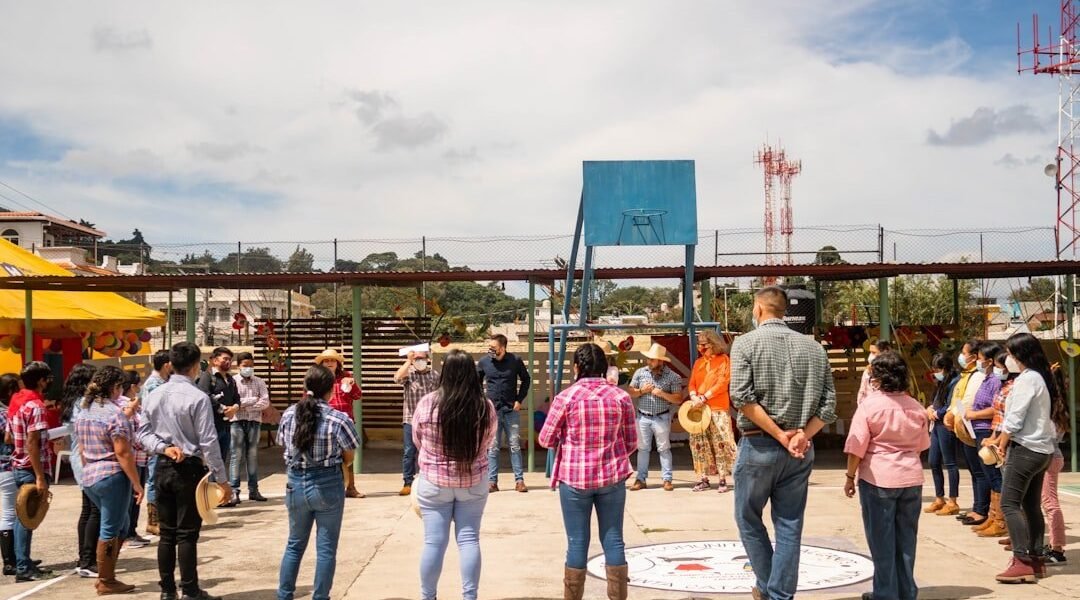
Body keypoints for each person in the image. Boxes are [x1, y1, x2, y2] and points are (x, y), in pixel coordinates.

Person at [728, 287, 837, 600]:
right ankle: (776, 593)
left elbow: (742, 398)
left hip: (760, 445)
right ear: (784, 310)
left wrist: (779, 434)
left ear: (759, 308)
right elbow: (828, 407)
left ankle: (770, 588)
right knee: (789, 524)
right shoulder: (814, 348)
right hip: (801, 449)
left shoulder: (745, 343)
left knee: (748, 518)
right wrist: (803, 434)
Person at [539, 343, 637, 600]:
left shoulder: (566, 398)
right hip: (612, 476)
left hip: (574, 478)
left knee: (577, 542)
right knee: (614, 538)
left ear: (576, 367)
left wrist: (565, 436)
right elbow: (631, 441)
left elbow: (545, 438)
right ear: (605, 368)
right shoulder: (621, 397)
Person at [138, 342, 231, 600]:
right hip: (189, 468)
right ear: (194, 366)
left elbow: (143, 433)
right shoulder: (198, 397)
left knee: (166, 534)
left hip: (162, 466)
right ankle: (190, 589)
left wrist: (163, 448)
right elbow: (208, 441)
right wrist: (222, 480)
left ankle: (168, 591)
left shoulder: (153, 394)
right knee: (187, 533)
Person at [843, 352, 930, 600]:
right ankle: (906, 592)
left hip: (878, 480)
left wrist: (850, 477)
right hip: (911, 479)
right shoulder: (916, 407)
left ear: (877, 377)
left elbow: (856, 447)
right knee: (906, 542)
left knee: (881, 543)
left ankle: (885, 594)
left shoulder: (869, 406)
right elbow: (922, 445)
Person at [411, 349, 496, 600]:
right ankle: (469, 596)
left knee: (433, 543)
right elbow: (489, 442)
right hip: (473, 482)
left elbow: (418, 439)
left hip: (434, 483)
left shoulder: (428, 403)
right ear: (472, 373)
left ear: (445, 373)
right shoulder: (484, 406)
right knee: (469, 540)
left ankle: (428, 597)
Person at [277, 364, 361, 600]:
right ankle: (321, 596)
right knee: (326, 549)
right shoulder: (339, 418)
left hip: (295, 482)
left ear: (305, 387)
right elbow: (350, 453)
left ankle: (284, 595)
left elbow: (282, 443)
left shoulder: (289, 413)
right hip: (327, 483)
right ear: (331, 390)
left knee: (294, 544)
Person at [993, 333, 1070, 583]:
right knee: (1030, 505)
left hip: (1025, 449)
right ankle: (1036, 559)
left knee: (1009, 504)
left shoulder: (1028, 380)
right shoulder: (1040, 377)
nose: (1009, 360)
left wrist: (1001, 444)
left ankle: (1021, 560)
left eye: (1012, 355)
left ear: (1021, 355)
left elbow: (1014, 417)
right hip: (1041, 450)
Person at [75, 366, 145, 595]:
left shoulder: (84, 411)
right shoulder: (115, 414)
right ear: (116, 388)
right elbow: (123, 453)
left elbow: (82, 449)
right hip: (112, 475)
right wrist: (136, 483)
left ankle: (106, 573)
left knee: (121, 524)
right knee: (111, 528)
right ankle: (106, 579)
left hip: (91, 475)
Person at [8, 361, 56, 581]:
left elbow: (10, 437)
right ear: (40, 380)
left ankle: (23, 561)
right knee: (26, 520)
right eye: (46, 379)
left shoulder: (16, 400)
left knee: (24, 518)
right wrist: (39, 476)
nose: (48, 383)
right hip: (30, 468)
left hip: (18, 464)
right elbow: (32, 442)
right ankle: (22, 567)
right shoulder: (35, 406)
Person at [58, 364, 100, 578]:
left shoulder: (75, 403)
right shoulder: (81, 404)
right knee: (93, 510)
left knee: (88, 509)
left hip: (83, 458)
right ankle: (87, 560)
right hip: (85, 459)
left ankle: (85, 558)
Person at [478, 334, 531, 493]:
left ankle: (519, 481)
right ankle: (492, 481)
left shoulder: (515, 360)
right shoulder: (484, 362)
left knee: (514, 445)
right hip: (492, 411)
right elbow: (476, 381)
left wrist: (519, 400)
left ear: (503, 348)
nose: (491, 351)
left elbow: (526, 379)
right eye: (490, 348)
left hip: (510, 410)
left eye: (494, 348)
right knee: (493, 447)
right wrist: (482, 401)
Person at [687, 330, 738, 493]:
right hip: (699, 408)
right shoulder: (698, 363)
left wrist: (705, 397)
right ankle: (703, 478)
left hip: (717, 408)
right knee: (699, 443)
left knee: (722, 442)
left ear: (713, 344)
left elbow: (723, 382)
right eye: (699, 344)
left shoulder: (724, 360)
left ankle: (723, 478)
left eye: (704, 345)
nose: (701, 348)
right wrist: (694, 396)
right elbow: (692, 383)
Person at [627, 343, 682, 491]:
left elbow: (678, 398)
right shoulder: (640, 372)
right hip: (643, 416)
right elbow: (631, 391)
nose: (649, 361)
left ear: (660, 361)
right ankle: (640, 479)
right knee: (643, 448)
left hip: (661, 417)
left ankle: (667, 479)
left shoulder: (672, 376)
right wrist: (641, 391)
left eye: (652, 359)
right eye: (649, 359)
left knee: (664, 448)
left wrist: (662, 393)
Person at [965, 342, 1006, 536]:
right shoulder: (986, 378)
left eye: (980, 359)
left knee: (994, 475)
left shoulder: (997, 381)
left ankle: (1000, 520)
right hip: (983, 432)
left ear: (990, 361)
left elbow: (995, 409)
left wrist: (974, 415)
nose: (978, 362)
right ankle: (992, 516)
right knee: (987, 473)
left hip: (987, 428)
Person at [943, 339, 986, 524]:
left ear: (974, 357)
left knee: (980, 471)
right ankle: (977, 507)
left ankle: (982, 510)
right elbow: (956, 399)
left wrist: (952, 414)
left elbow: (968, 400)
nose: (962, 356)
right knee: (974, 470)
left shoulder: (977, 376)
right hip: (964, 426)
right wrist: (949, 414)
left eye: (964, 352)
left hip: (975, 427)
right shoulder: (965, 375)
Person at [314, 348, 364, 499]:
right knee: (328, 455)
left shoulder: (346, 376)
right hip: (324, 422)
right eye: (326, 360)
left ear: (337, 363)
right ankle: (328, 488)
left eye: (332, 360)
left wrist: (352, 383)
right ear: (322, 364)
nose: (330, 363)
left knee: (348, 454)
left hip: (345, 422)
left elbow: (357, 395)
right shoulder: (317, 378)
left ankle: (351, 487)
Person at [394, 347, 440, 497]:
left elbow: (440, 395)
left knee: (429, 450)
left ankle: (428, 479)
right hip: (410, 419)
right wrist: (408, 361)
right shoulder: (409, 374)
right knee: (409, 452)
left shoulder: (434, 375)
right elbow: (397, 378)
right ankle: (408, 482)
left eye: (422, 358)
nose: (419, 361)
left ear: (427, 359)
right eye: (416, 359)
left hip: (429, 420)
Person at [924, 353, 961, 517]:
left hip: (945, 424)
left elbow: (951, 404)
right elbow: (937, 400)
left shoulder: (954, 382)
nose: (935, 372)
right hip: (936, 425)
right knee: (933, 461)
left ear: (945, 368)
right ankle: (940, 497)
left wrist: (937, 413)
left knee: (950, 462)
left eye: (938, 369)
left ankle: (953, 500)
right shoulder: (941, 382)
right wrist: (930, 408)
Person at [230, 352, 270, 503]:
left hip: (254, 422)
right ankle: (234, 491)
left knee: (252, 456)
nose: (248, 368)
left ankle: (254, 490)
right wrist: (253, 401)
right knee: (236, 456)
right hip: (236, 422)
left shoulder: (259, 382)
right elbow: (232, 401)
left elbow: (265, 402)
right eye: (245, 366)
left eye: (251, 366)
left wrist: (242, 406)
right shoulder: (233, 381)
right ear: (238, 366)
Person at [120, 370, 153, 549]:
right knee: (133, 498)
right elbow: (133, 433)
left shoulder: (134, 405)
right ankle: (127, 533)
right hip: (133, 456)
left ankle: (131, 531)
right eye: (137, 385)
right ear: (132, 386)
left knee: (136, 499)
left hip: (140, 457)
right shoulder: (126, 405)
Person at [141, 350, 172, 537]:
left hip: (163, 438)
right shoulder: (154, 385)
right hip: (156, 438)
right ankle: (153, 520)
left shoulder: (162, 383)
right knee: (153, 479)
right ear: (167, 364)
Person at [196, 346, 240, 473]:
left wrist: (235, 408)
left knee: (221, 461)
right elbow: (204, 394)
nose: (228, 362)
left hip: (226, 427)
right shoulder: (207, 377)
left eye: (230, 360)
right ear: (215, 360)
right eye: (225, 359)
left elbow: (237, 398)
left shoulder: (231, 379)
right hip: (212, 427)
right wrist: (222, 408)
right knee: (210, 463)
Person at [0, 372, 21, 577]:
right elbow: (10, 438)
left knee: (12, 512)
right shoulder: (4, 413)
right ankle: (9, 561)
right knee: (9, 514)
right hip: (5, 466)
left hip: (5, 467)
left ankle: (15, 556)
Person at [856, 340, 892, 405]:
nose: (870, 356)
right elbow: (862, 391)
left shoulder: (893, 372)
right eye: (870, 352)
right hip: (869, 407)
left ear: (884, 353)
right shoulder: (867, 371)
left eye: (874, 352)